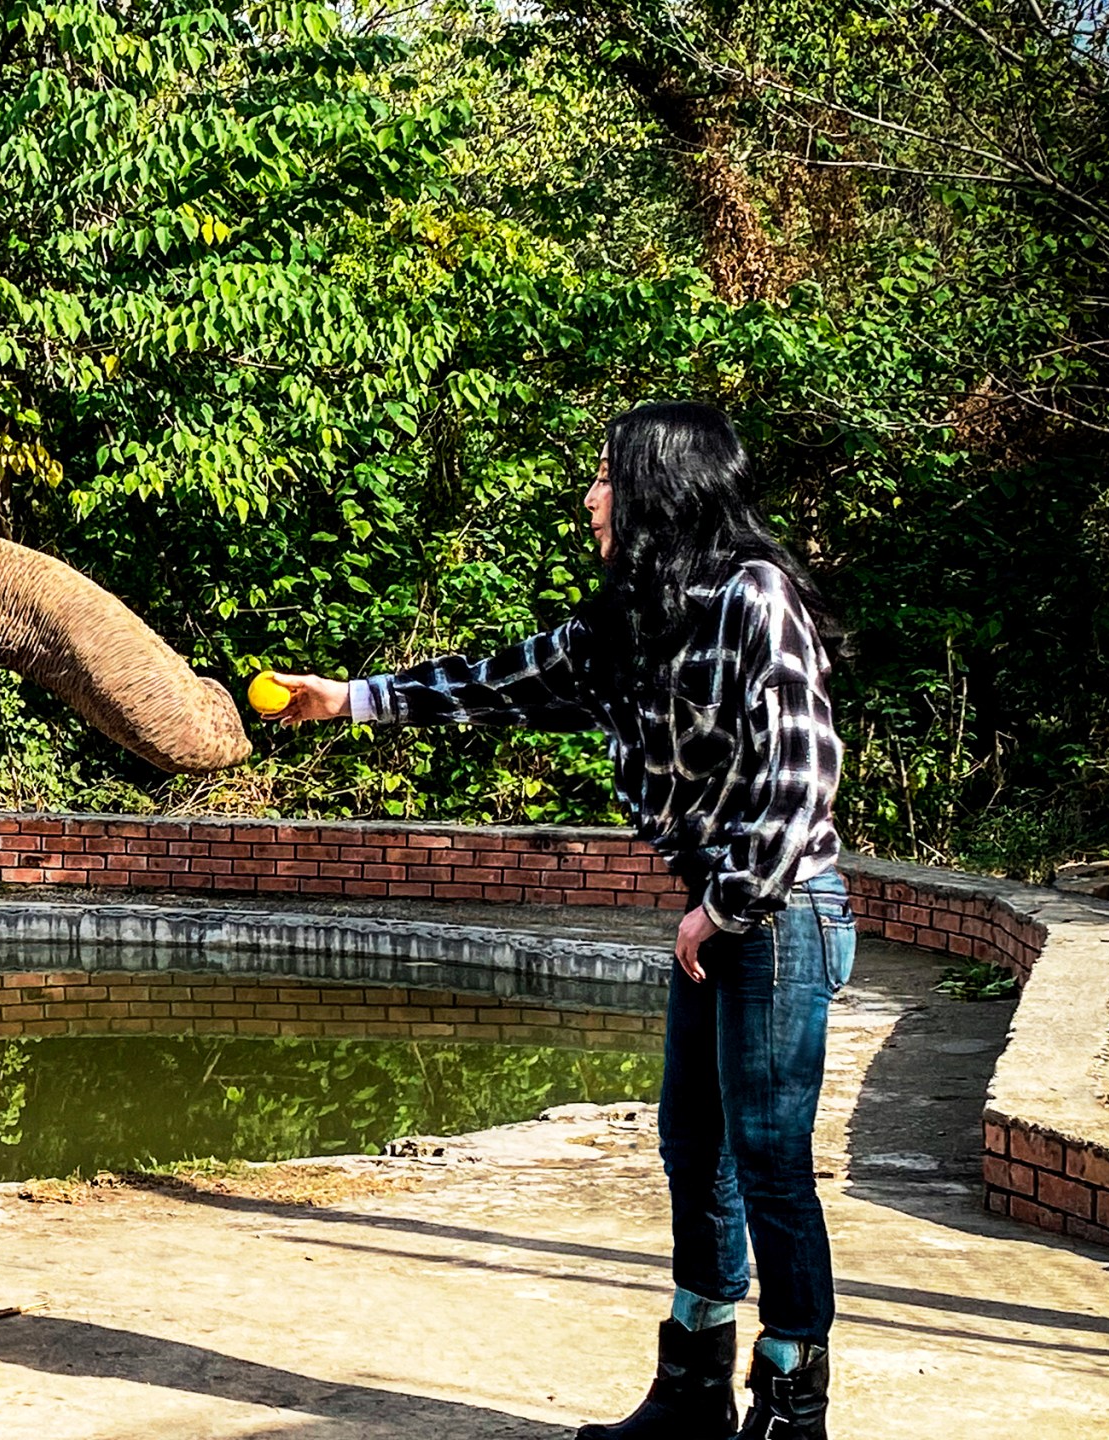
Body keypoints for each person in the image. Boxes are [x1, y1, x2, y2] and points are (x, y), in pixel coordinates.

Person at [273, 401, 853, 1440]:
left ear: (659, 487)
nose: (589, 499)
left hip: (777, 910)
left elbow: (802, 775)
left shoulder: (753, 597)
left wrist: (724, 906)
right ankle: (690, 1394)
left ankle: (790, 1406)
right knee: (695, 1150)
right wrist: (347, 700)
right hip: (720, 916)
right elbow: (496, 682)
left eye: (604, 477)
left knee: (767, 1157)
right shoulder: (634, 615)